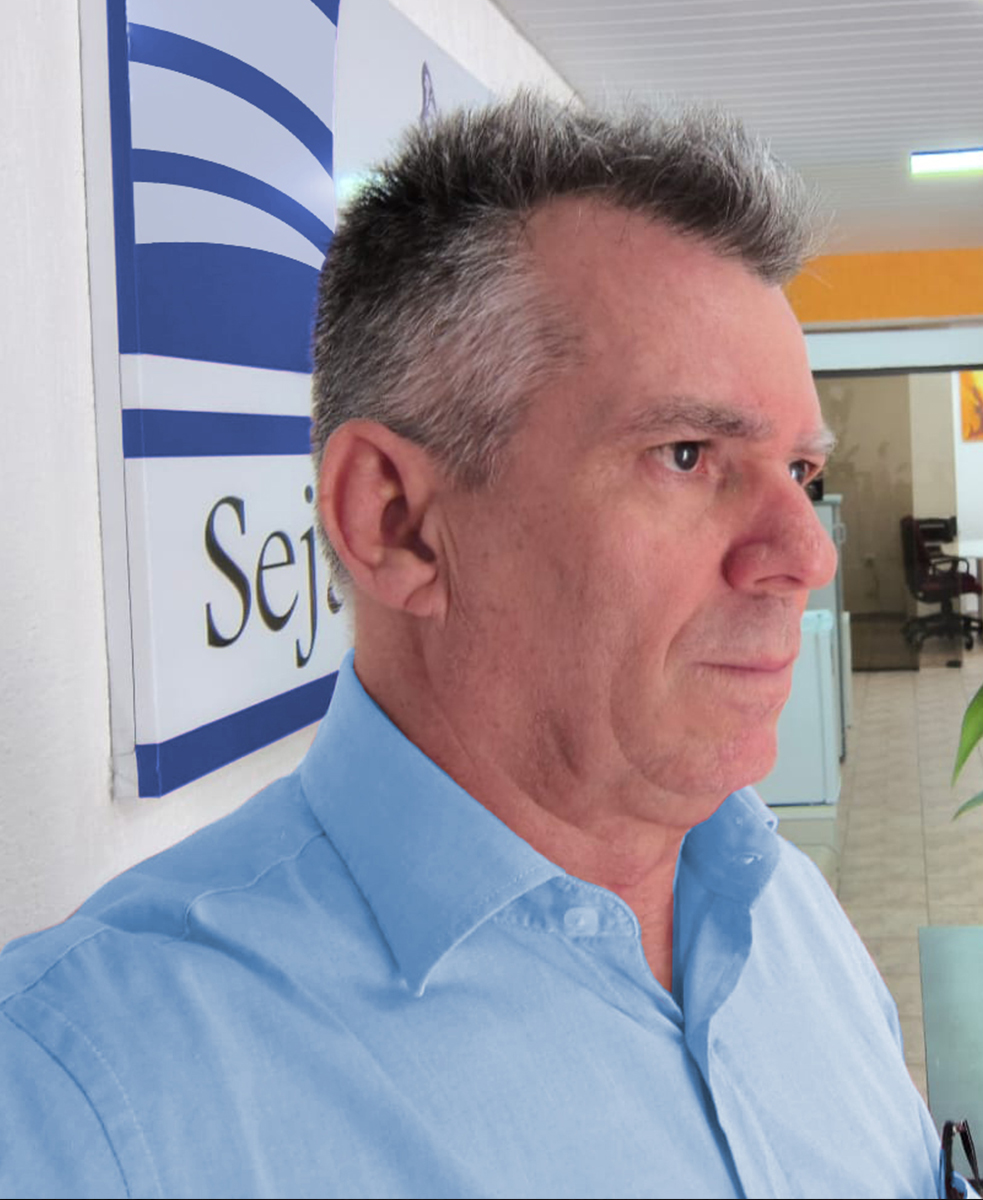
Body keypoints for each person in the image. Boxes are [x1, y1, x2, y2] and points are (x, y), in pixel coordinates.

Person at [0, 94, 958, 1199]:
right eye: (687, 454)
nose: (805, 553)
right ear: (396, 523)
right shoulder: (82, 1107)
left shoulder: (781, 909)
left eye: (797, 470)